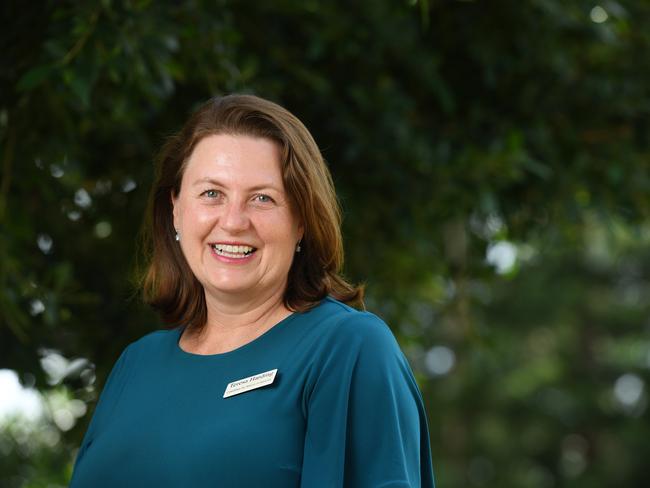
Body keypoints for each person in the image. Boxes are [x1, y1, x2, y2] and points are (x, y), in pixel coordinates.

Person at [69, 94, 436, 487]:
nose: (233, 221)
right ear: (176, 209)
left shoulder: (347, 348)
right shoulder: (136, 364)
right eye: (212, 193)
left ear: (301, 221)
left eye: (262, 198)